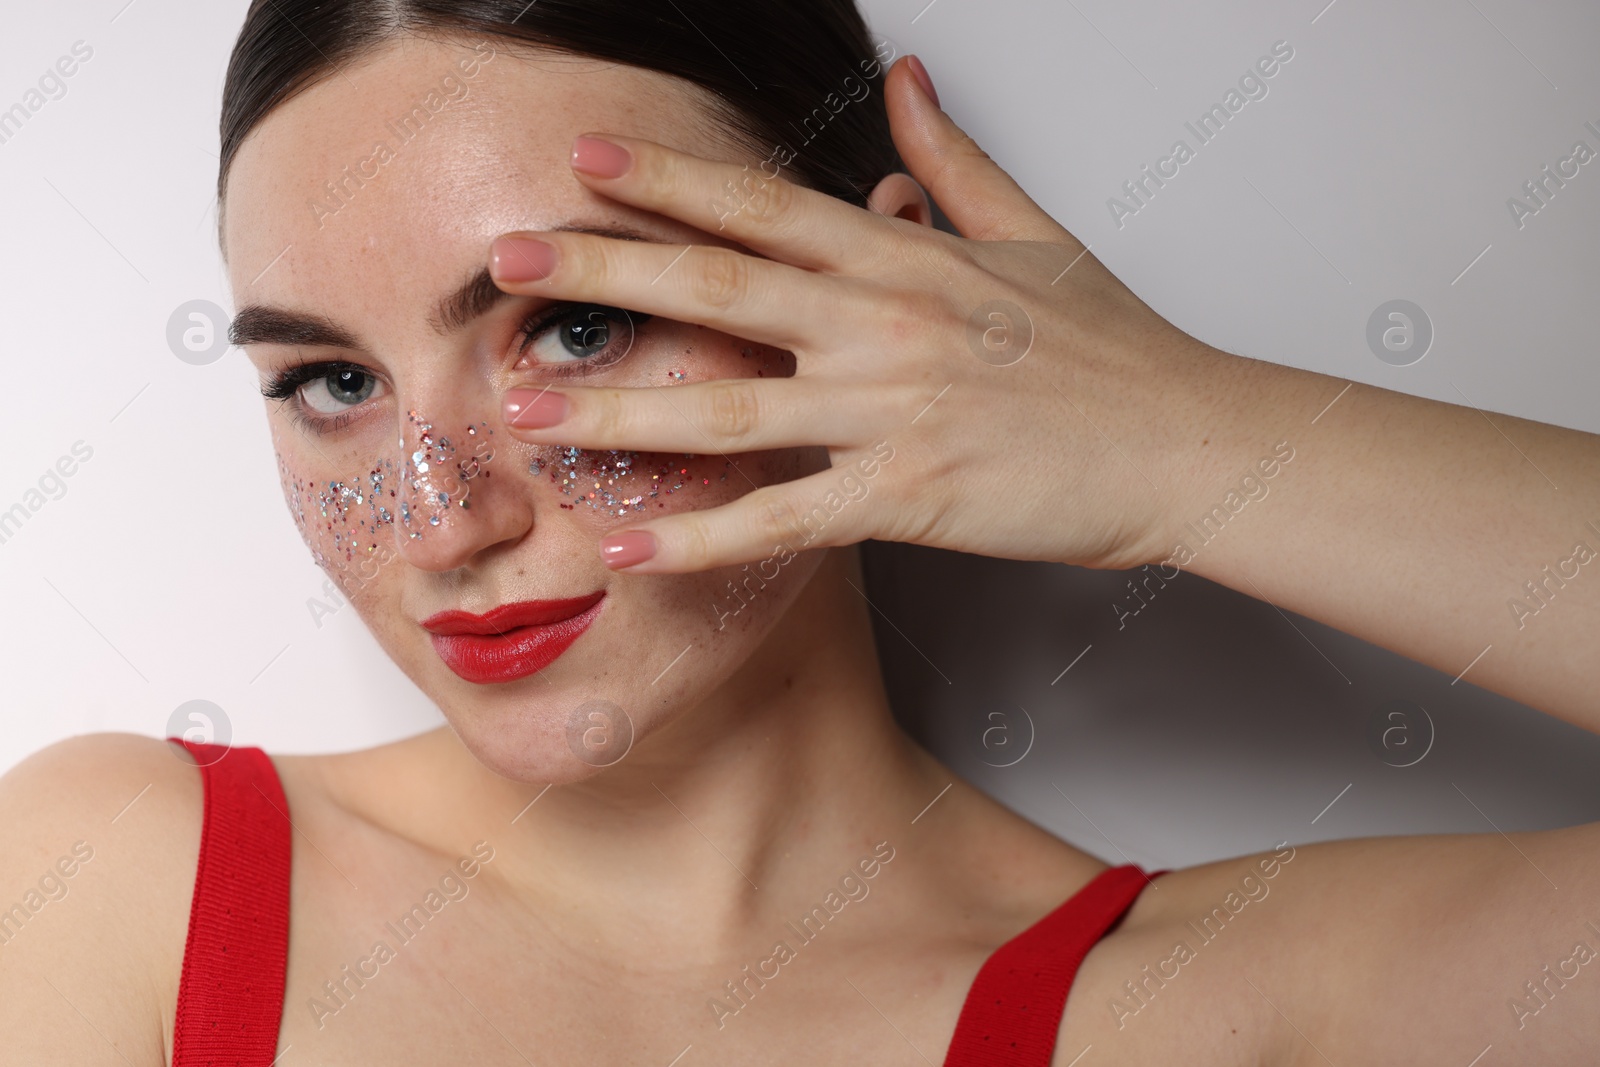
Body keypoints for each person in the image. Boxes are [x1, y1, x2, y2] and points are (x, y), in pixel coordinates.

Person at [2, 1, 1597, 1064]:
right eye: (333, 379)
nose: (440, 522)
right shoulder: (116, 877)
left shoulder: (1210, 1006)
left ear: (887, 310)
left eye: (574, 330)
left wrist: (1188, 443)